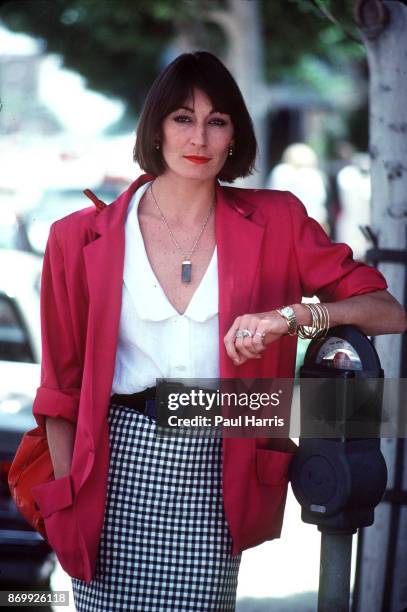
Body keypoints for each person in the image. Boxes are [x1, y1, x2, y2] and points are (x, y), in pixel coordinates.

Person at [30, 52, 406, 612]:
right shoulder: (77, 237)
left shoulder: (277, 219)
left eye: (217, 120)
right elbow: (60, 390)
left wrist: (293, 319)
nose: (198, 136)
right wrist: (65, 500)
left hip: (216, 456)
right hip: (111, 469)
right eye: (182, 118)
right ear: (156, 127)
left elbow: (388, 311)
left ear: (235, 134)